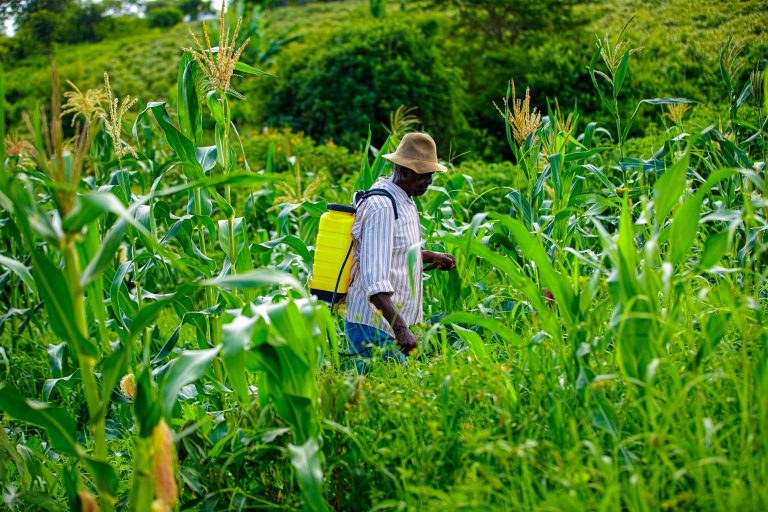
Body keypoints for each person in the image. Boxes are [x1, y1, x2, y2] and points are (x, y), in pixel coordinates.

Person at [344, 132, 456, 370]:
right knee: (392, 391)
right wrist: (401, 329)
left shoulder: (405, 199)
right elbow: (374, 281)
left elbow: (395, 249)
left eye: (431, 175)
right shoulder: (383, 206)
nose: (429, 181)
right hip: (372, 326)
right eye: (424, 175)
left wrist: (432, 257)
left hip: (386, 324)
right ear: (403, 171)